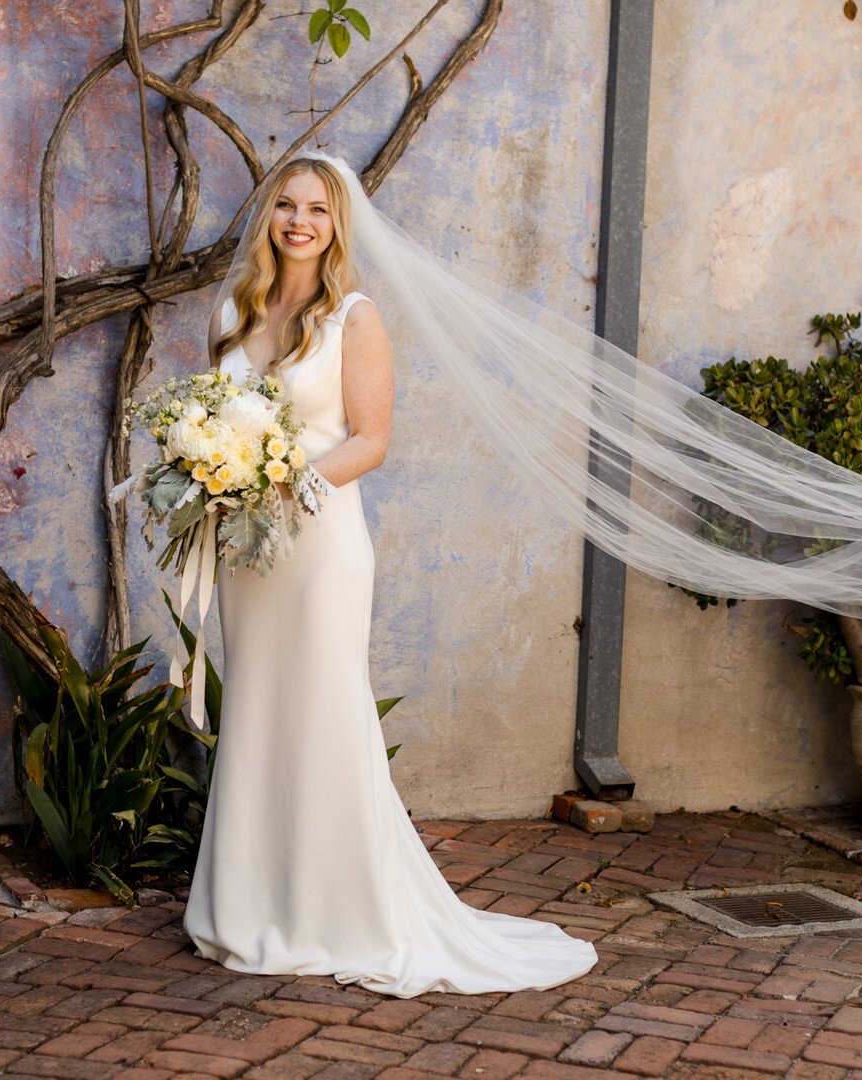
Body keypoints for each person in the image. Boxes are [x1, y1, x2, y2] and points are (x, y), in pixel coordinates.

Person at [180, 155, 601, 997]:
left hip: (321, 548)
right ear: (269, 216)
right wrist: (210, 472)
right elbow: (209, 415)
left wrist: (278, 480)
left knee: (326, 713)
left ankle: (342, 912)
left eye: (318, 212)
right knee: (259, 712)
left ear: (338, 228)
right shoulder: (233, 310)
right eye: (287, 206)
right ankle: (250, 904)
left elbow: (371, 440)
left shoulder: (354, 318)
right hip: (247, 558)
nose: (299, 222)